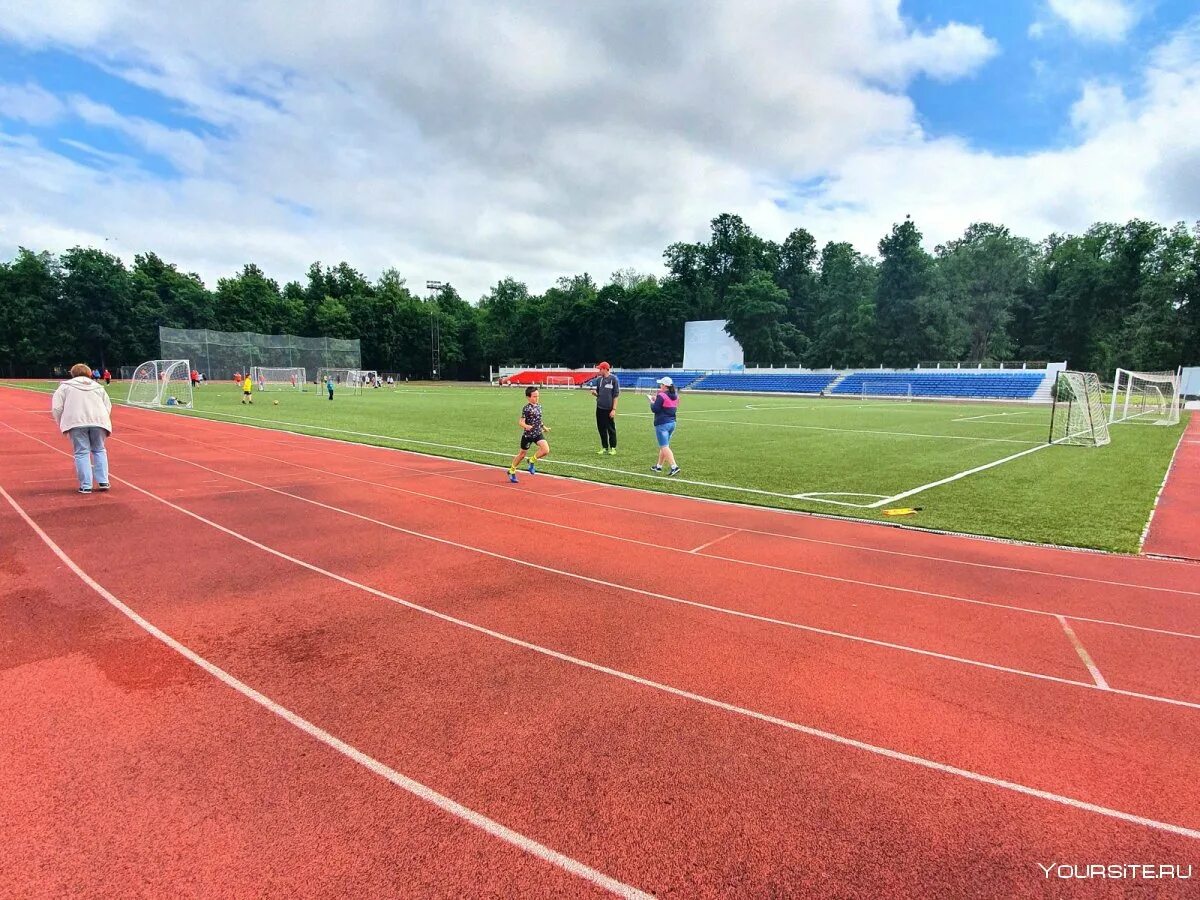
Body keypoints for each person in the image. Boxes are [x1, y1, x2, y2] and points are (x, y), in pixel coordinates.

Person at [51, 364, 113, 495]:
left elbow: (57, 408)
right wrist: (103, 419)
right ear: (90, 373)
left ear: (72, 374)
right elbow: (107, 405)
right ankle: (103, 481)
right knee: (99, 450)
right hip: (99, 421)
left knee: (81, 452)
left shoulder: (65, 387)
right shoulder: (98, 387)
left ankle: (86, 485)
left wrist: (61, 422)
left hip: (76, 422)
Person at [508, 386, 550, 483]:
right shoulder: (526, 409)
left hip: (537, 434)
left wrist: (544, 427)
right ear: (528, 397)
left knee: (545, 450)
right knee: (522, 455)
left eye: (538, 396)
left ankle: (531, 460)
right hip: (528, 436)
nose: (537, 398)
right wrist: (526, 426)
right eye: (534, 396)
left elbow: (539, 420)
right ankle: (512, 470)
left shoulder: (539, 406)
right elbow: (520, 422)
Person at [649, 376, 680, 476]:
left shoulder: (661, 395)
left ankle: (674, 466)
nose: (660, 386)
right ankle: (659, 466)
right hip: (672, 423)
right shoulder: (675, 395)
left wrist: (652, 402)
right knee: (664, 446)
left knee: (664, 446)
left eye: (661, 384)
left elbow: (655, 409)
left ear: (664, 386)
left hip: (662, 423)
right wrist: (656, 400)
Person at [591, 361, 620, 455]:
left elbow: (615, 396)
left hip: (609, 409)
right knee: (601, 428)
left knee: (610, 428)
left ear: (604, 369)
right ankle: (604, 447)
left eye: (600, 369)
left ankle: (613, 447)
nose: (599, 371)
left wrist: (614, 409)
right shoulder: (599, 380)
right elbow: (599, 394)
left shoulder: (614, 379)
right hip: (599, 408)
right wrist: (596, 394)